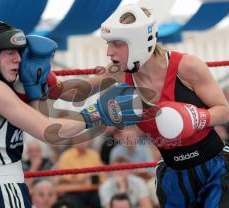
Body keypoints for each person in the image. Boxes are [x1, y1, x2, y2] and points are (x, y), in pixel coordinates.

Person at [69, 4, 229, 208]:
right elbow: (77, 92)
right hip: (173, 175)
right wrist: (44, 81)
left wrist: (196, 118)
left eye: (117, 43)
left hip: (215, 168)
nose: (109, 51)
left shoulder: (187, 66)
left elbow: (224, 111)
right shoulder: (118, 72)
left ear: (137, 41)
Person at [0, 19, 141, 208]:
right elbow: (48, 130)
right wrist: (97, 113)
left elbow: (72, 95)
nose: (18, 59)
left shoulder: (7, 86)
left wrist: (114, 72)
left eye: (18, 52)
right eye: (10, 52)